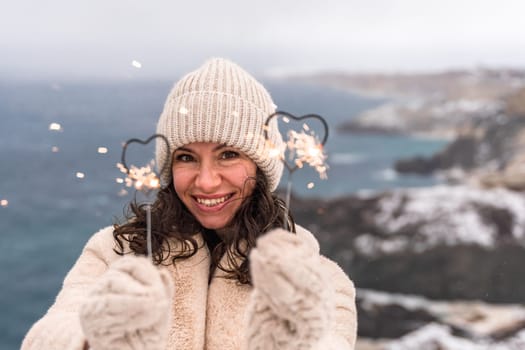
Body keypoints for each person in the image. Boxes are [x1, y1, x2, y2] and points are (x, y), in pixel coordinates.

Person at [21, 57, 357, 350]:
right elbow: (51, 335)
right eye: (186, 157)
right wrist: (97, 337)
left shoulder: (314, 276)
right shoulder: (114, 253)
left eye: (228, 155)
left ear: (260, 164)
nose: (206, 181)